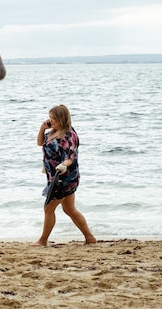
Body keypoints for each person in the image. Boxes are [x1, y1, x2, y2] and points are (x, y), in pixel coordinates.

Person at [33, 104, 97, 246]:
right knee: (69, 209)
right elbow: (39, 143)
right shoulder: (52, 132)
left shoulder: (68, 135)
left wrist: (62, 166)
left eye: (54, 118)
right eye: (50, 118)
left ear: (62, 119)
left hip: (64, 178)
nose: (51, 121)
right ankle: (90, 238)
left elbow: (70, 157)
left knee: (48, 208)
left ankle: (42, 240)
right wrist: (42, 128)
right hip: (53, 177)